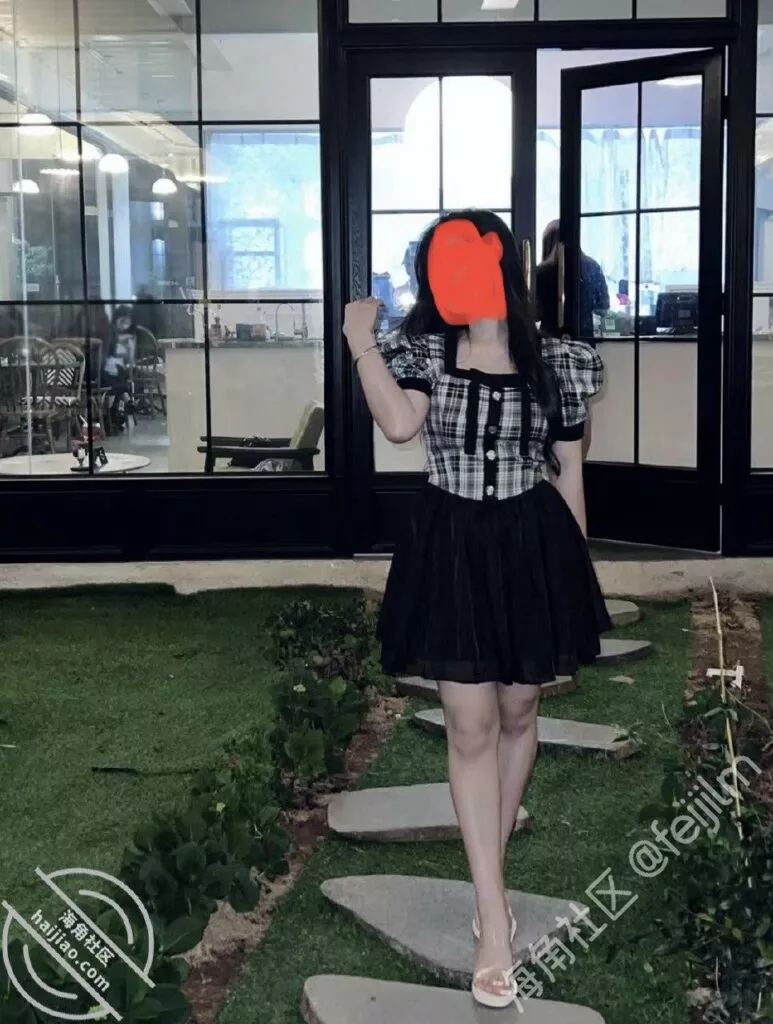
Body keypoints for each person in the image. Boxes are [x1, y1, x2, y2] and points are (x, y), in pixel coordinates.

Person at [343, 210, 612, 1010]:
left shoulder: (558, 361)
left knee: (520, 708)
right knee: (469, 725)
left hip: (531, 542)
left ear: (500, 268)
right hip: (451, 543)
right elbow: (399, 426)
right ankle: (492, 920)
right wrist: (360, 341)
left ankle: (485, 873)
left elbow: (569, 468)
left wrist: (575, 574)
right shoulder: (424, 352)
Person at [536, 221, 608, 460]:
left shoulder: (540, 272)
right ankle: (579, 462)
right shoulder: (591, 267)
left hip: (548, 344)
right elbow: (603, 306)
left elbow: (532, 313)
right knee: (581, 410)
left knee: (547, 407)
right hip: (584, 341)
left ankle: (551, 463)